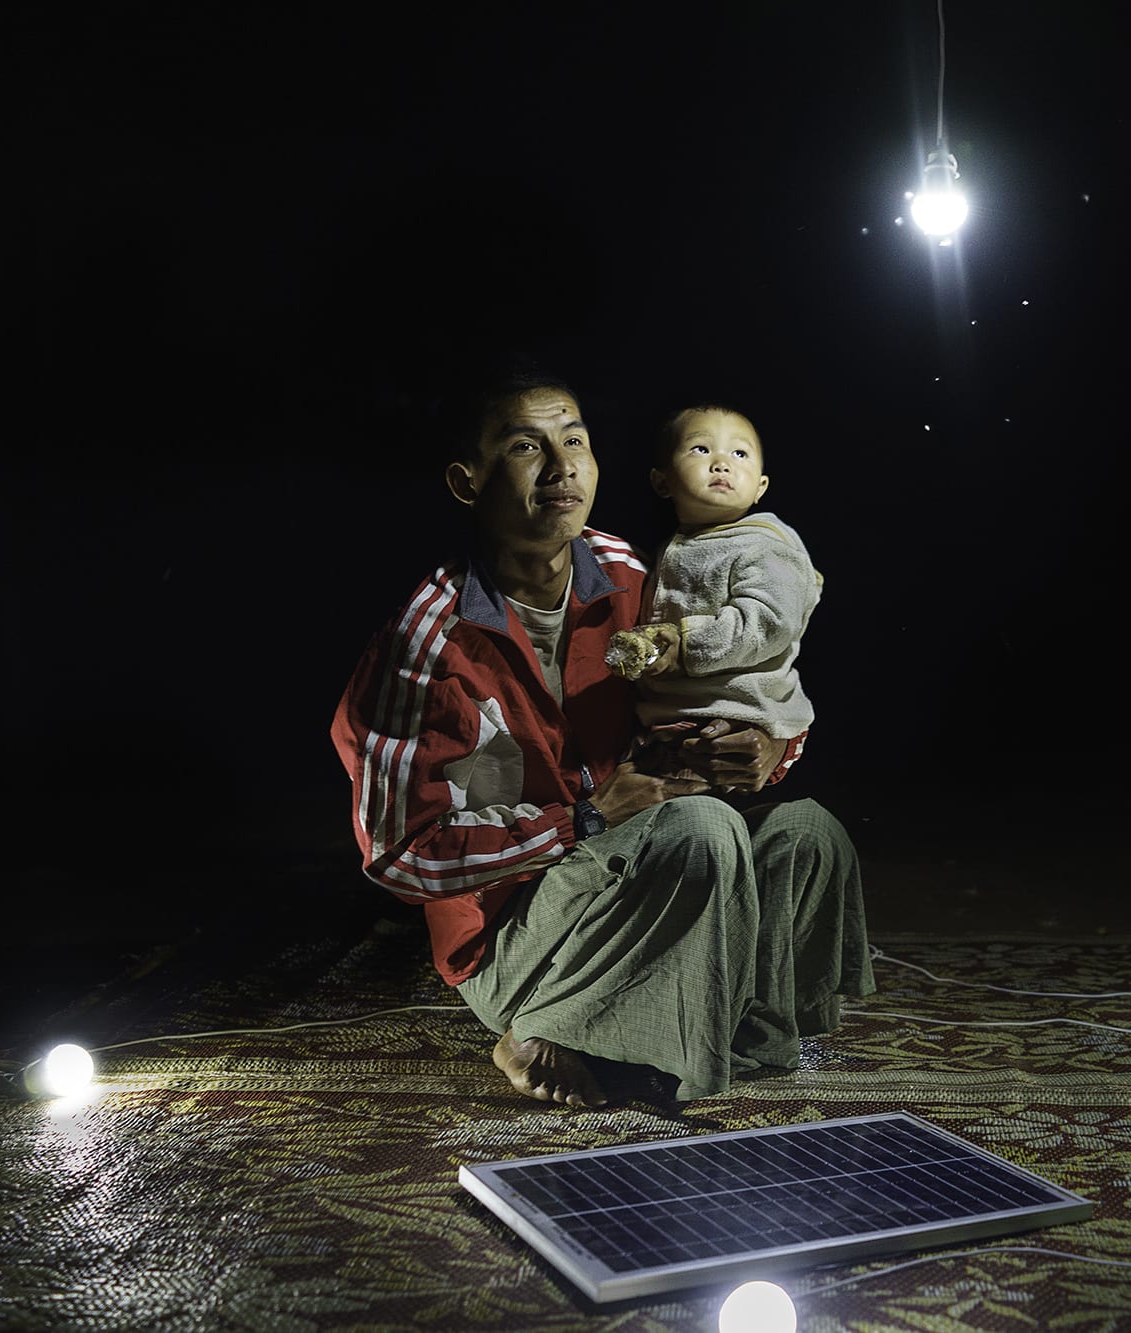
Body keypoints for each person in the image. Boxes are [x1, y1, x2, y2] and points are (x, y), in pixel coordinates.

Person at [328, 362, 874, 1109]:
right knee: (701, 828)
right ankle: (542, 1022)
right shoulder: (427, 646)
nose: (561, 468)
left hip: (632, 886)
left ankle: (707, 1032)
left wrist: (769, 749)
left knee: (808, 832)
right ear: (467, 481)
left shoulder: (626, 576)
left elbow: (718, 684)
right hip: (514, 940)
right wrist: (584, 820)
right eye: (526, 447)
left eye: (575, 442)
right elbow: (400, 857)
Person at [606, 404, 819, 789]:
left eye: (739, 454)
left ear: (760, 487)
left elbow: (771, 621)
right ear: (662, 481)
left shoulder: (765, 544)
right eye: (701, 449)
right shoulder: (677, 547)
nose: (722, 463)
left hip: (735, 712)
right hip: (675, 714)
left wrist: (686, 645)